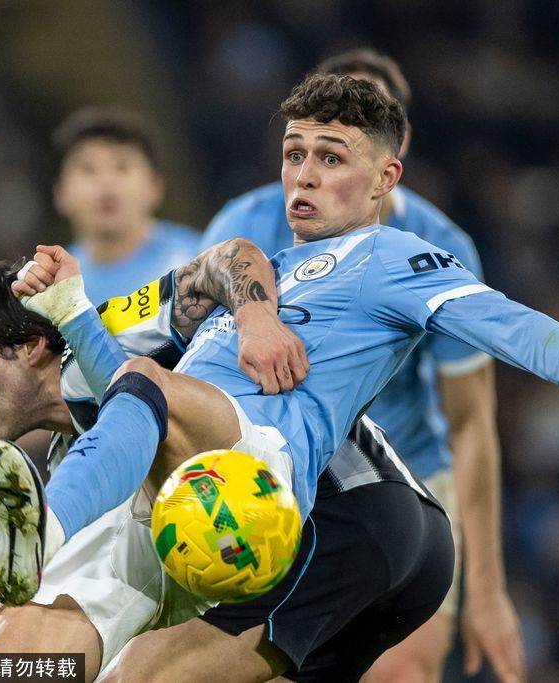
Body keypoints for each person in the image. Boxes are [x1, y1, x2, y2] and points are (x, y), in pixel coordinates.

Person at [0, 73, 559, 677]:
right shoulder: (262, 272)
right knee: (40, 656)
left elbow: (503, 321)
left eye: (331, 158)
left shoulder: (389, 258)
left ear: (385, 179)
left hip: (256, 471)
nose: (305, 175)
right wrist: (73, 310)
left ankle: (46, 523)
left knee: (147, 383)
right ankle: (48, 537)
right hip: (165, 487)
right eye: (295, 155)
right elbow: (119, 396)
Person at [0, 246, 452, 681]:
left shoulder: (112, 332)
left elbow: (235, 255)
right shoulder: (78, 456)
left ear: (31, 346)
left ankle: (49, 528)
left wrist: (256, 319)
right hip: (374, 542)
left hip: (342, 515)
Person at [201, 48, 521, 683]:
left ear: (395, 149)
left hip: (409, 482)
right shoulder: (243, 226)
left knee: (400, 674)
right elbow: (198, 361)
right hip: (277, 471)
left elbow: (470, 424)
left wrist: (487, 589)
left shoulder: (440, 250)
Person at [0, 106, 199, 536]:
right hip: (113, 479)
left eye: (122, 167)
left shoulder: (193, 263)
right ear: (61, 192)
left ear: (154, 187)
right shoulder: (46, 285)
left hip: (193, 453)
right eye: (88, 170)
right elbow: (50, 391)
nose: (106, 184)